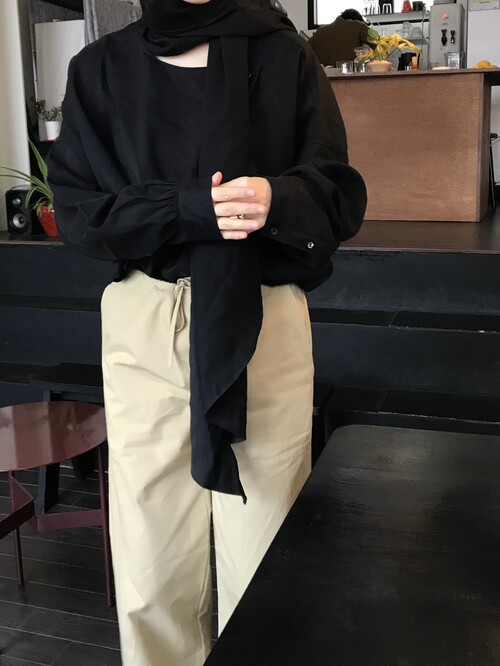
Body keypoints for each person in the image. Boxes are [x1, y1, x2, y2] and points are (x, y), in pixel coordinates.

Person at [47, 0, 367, 664]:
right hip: (147, 323)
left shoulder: (284, 56)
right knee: (152, 569)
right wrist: (190, 207)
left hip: (262, 321)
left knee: (266, 561)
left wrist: (276, 199)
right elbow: (80, 214)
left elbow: (337, 195)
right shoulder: (101, 69)